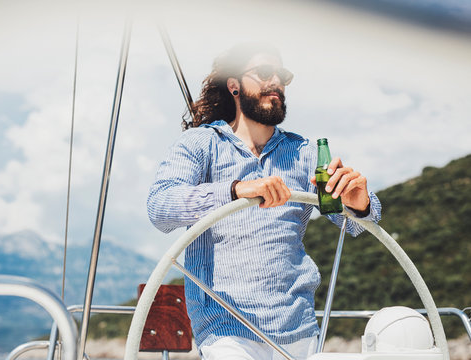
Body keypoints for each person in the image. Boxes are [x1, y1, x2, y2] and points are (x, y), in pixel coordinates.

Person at [147, 43, 381, 360]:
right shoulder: (200, 144)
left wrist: (358, 203)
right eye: (264, 73)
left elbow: (356, 227)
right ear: (234, 85)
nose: (277, 83)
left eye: (282, 75)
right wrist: (235, 190)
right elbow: (161, 207)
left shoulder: (304, 152)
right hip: (227, 329)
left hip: (300, 329)